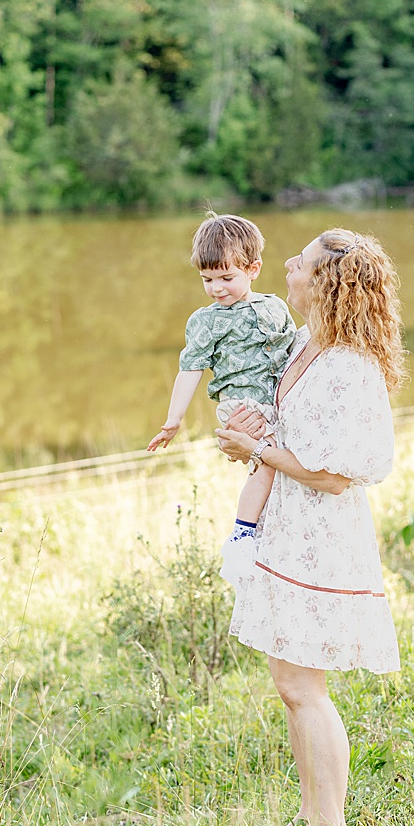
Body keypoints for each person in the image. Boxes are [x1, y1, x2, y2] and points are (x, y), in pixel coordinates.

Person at [216, 228, 405, 826]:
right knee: (290, 687)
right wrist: (252, 431)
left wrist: (259, 449)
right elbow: (295, 435)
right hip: (285, 530)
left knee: (304, 687)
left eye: (302, 262)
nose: (289, 266)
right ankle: (310, 814)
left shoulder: (351, 368)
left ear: (326, 284)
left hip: (321, 538)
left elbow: (334, 472)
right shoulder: (306, 345)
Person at [147, 213, 300, 582]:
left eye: (226, 278)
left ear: (253, 268)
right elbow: (191, 369)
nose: (217, 288)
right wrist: (174, 419)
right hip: (241, 403)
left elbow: (293, 353)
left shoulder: (275, 307)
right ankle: (243, 535)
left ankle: (277, 540)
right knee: (267, 463)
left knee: (288, 466)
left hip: (276, 399)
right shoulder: (206, 320)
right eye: (207, 279)